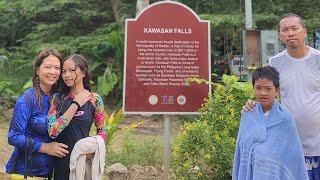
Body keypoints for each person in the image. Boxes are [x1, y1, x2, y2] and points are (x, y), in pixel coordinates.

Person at [242, 13, 320, 179]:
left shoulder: (318, 59)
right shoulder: (275, 63)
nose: (290, 33)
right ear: (280, 36)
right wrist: (252, 107)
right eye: (285, 29)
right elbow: (267, 94)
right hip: (288, 144)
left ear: (304, 32)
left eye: (294, 28)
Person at [233, 66, 308, 179]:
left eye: (268, 89)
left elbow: (294, 157)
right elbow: (240, 151)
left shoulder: (286, 120)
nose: (263, 93)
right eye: (258, 88)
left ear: (277, 91)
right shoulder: (248, 115)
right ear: (253, 88)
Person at [6, 48, 69, 178]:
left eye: (57, 68)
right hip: (27, 173)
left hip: (55, 171)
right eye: (48, 67)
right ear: (37, 70)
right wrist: (45, 147)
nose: (53, 72)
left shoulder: (61, 97)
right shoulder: (27, 100)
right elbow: (13, 136)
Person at [47, 54, 107, 180]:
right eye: (64, 72)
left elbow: (102, 131)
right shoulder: (57, 99)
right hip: (61, 163)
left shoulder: (95, 100)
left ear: (83, 72)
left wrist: (92, 150)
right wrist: (76, 104)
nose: (67, 75)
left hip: (83, 164)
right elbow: (53, 131)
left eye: (72, 70)